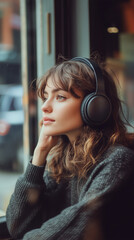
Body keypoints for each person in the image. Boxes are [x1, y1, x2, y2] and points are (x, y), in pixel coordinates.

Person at [6, 57, 134, 240]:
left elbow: (77, 226)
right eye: (45, 97)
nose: (45, 107)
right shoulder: (63, 161)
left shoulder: (118, 161)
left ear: (95, 106)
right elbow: (17, 226)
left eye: (60, 97)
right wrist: (40, 153)